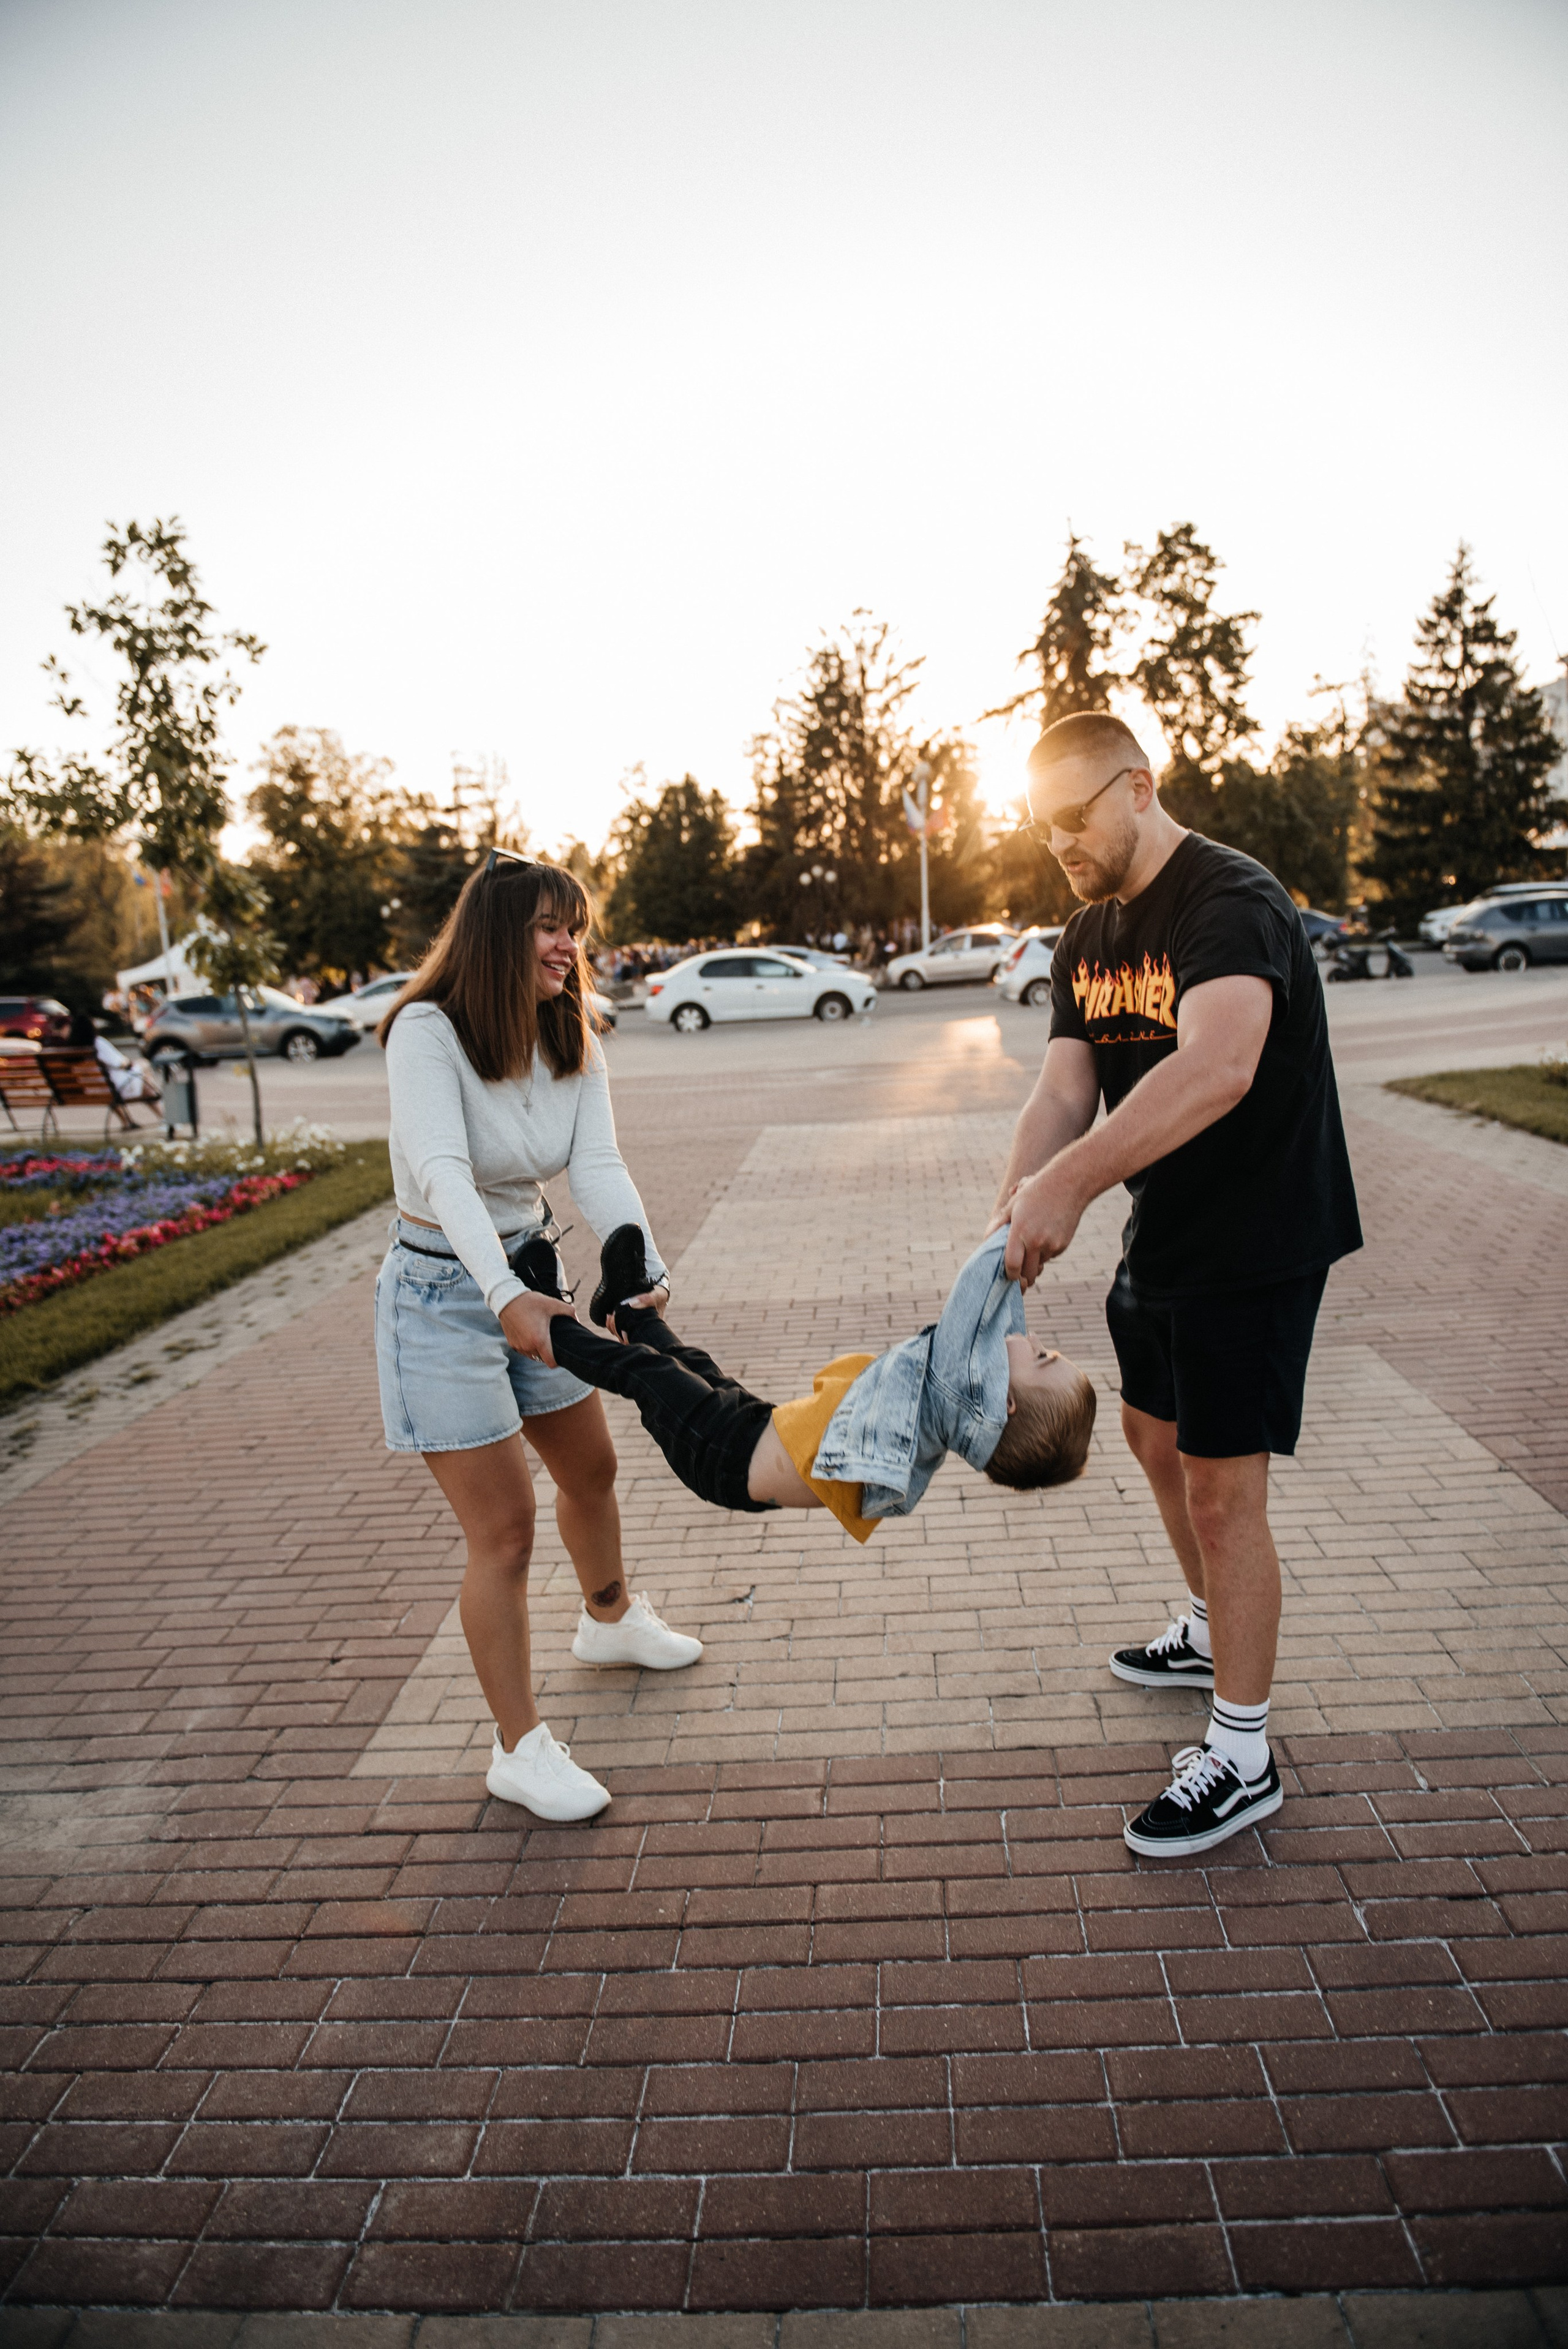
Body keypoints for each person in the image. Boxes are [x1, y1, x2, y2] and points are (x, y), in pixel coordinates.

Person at [991, 711, 1361, 1859]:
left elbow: (1220, 1063)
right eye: (1036, 822)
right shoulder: (1086, 937)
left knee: (1220, 1492)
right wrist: (1015, 1207)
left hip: (1258, 1238)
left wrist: (1076, 1187)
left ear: (1137, 788)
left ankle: (1242, 1754)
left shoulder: (1231, 901)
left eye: (1071, 817)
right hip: (1167, 1233)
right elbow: (1064, 1096)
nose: (1056, 841)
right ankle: (1210, 1629)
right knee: (1155, 1443)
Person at [376, 853, 706, 1825]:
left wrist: (635, 1258)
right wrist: (503, 1299)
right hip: (440, 1295)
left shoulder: (571, 1028)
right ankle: (518, 1748)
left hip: (532, 1271)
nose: (571, 946)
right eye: (550, 927)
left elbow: (596, 1162)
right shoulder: (426, 1032)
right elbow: (440, 1171)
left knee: (592, 1466)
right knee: (506, 1531)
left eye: (576, 926)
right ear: (496, 935)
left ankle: (608, 1621)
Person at [514, 1220, 1097, 1541]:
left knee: (648, 1373)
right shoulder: (973, 1409)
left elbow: (978, 1293)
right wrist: (1017, 1268)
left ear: (1003, 1402)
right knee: (686, 1359)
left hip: (724, 1453)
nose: (1032, 1339)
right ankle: (629, 1309)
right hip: (753, 1429)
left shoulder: (956, 1391)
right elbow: (1000, 1326)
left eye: (1044, 1355)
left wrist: (1019, 1223)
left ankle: (544, 1320)